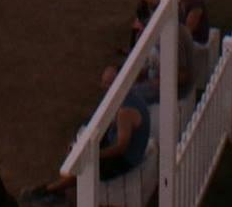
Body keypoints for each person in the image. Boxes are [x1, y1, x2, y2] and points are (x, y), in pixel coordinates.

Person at [20, 67, 150, 202]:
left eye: (106, 84)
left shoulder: (125, 111)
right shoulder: (127, 97)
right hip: (119, 143)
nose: (102, 87)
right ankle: (58, 189)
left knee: (85, 165)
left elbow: (121, 147)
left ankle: (48, 191)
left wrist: (94, 155)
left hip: (125, 159)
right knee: (81, 151)